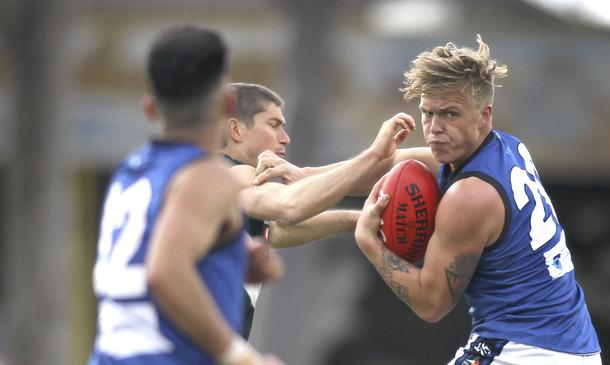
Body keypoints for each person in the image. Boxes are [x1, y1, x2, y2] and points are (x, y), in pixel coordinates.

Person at [354, 35, 602, 364]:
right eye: (427, 113)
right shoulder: (508, 148)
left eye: (450, 114)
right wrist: (299, 177)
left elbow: (432, 303)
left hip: (522, 351)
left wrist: (369, 241)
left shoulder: (469, 196)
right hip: (576, 348)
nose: (434, 129)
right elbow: (389, 165)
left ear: (484, 115)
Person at [87, 25, 284, 365]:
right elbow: (164, 271)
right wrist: (241, 357)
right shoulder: (206, 176)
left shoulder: (130, 173)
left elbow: (144, 257)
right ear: (225, 106)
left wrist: (231, 256)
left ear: (150, 109)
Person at [221, 82, 437, 338]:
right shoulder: (231, 174)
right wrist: (373, 155)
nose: (285, 138)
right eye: (274, 124)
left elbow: (274, 232)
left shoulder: (210, 179)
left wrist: (359, 219)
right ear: (236, 128)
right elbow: (289, 206)